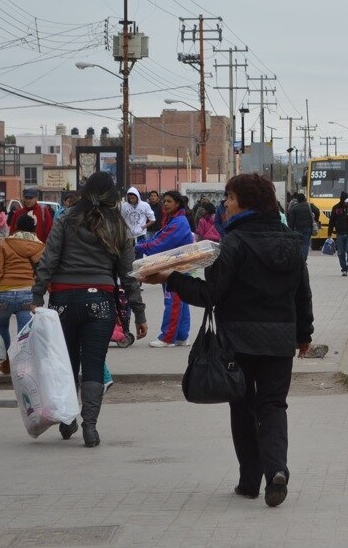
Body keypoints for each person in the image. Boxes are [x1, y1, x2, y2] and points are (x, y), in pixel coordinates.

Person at [143, 173, 313, 507]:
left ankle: (250, 481)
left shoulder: (232, 243)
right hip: (279, 340)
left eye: (230, 197)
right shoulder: (291, 241)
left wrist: (171, 278)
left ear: (246, 202)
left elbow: (209, 294)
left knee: (243, 406)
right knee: (274, 405)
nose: (225, 204)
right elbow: (302, 294)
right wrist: (303, 334)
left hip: (239, 339)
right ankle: (276, 470)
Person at [32, 171, 148, 447]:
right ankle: (90, 427)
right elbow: (129, 274)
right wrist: (140, 314)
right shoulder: (120, 226)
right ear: (113, 196)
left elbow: (48, 259)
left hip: (62, 302)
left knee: (67, 364)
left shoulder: (66, 218)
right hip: (100, 302)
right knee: (94, 365)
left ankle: (68, 418)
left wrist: (36, 296)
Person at [137, 190, 194, 348]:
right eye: (165, 201)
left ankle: (168, 338)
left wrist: (137, 247)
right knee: (181, 301)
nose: (165, 204)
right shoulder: (175, 220)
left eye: (169, 201)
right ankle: (182, 336)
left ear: (177, 203)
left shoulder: (178, 222)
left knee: (173, 301)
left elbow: (159, 243)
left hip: (175, 268)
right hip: (176, 266)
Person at [0, 215, 44, 374]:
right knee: (24, 334)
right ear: (33, 229)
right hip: (28, 294)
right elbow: (42, 273)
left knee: (1, 326)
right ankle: (22, 367)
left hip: (3, 296)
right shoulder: (40, 246)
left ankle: (6, 362)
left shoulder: (5, 243)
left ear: (16, 227)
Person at [327, 192, 348, 276]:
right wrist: (329, 233)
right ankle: (344, 269)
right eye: (347, 201)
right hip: (339, 234)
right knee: (340, 252)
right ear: (342, 200)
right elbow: (331, 221)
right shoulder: (335, 208)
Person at [284, 192, 317, 260]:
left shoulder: (294, 208)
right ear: (304, 199)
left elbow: (291, 221)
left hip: (298, 229)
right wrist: (316, 220)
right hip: (308, 228)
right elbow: (317, 211)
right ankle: (304, 258)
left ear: (297, 200)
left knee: (298, 244)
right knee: (305, 243)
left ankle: (299, 258)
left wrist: (290, 230)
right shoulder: (309, 205)